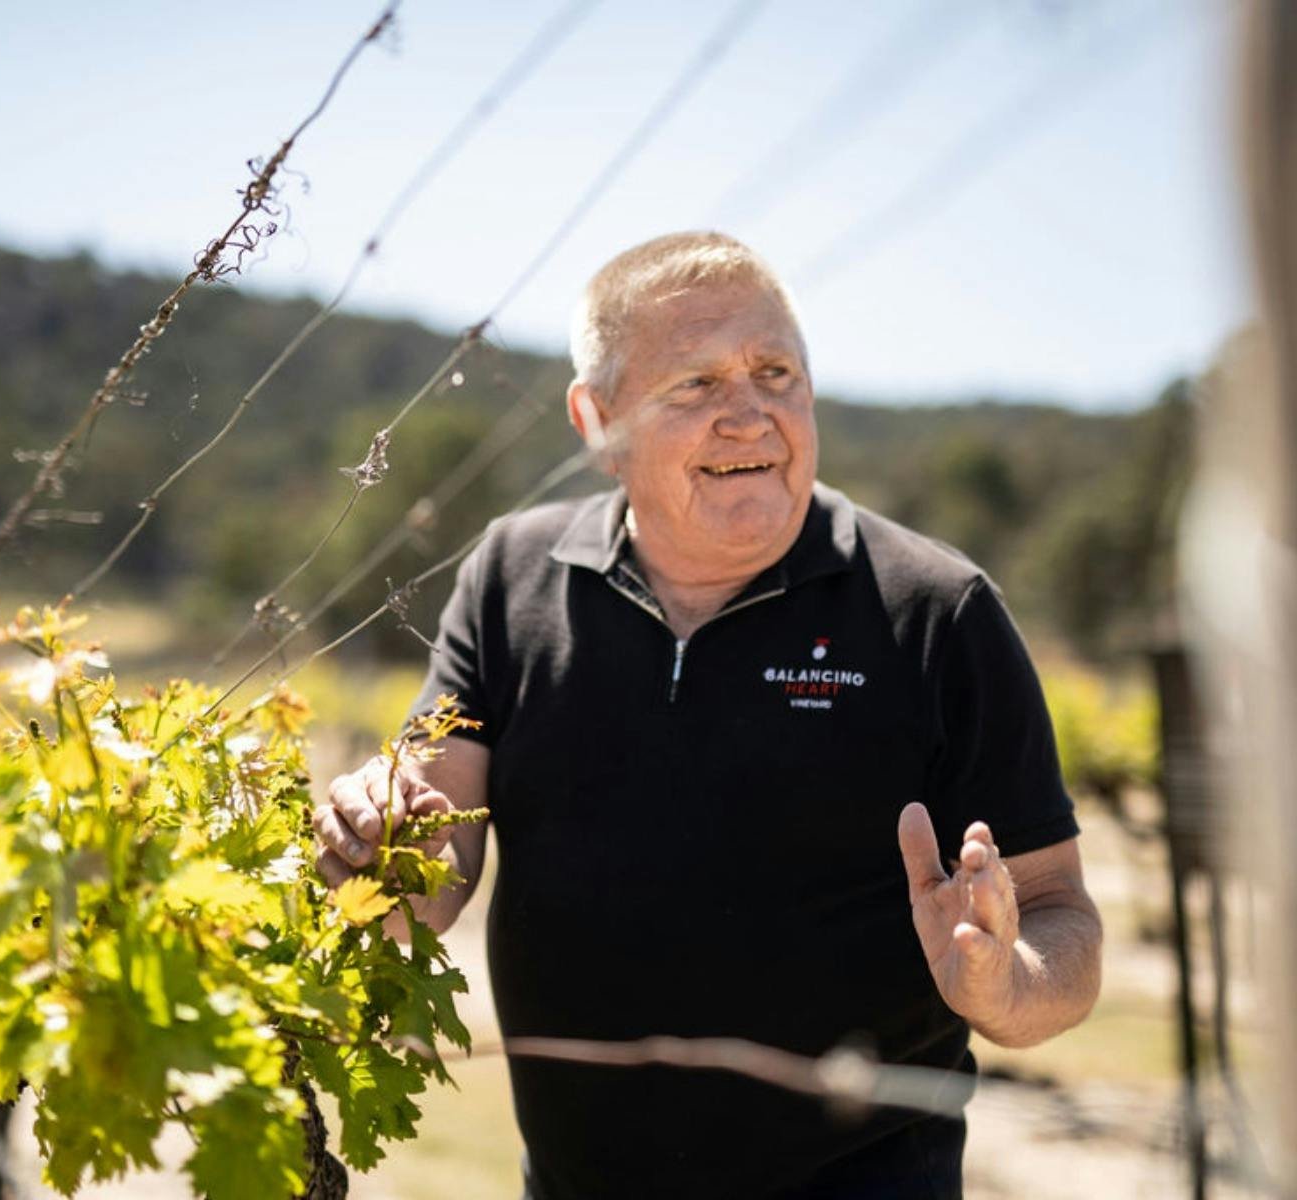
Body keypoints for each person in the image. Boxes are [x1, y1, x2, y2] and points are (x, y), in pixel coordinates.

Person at [314, 232, 1102, 1199]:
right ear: (597, 422)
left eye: (777, 374)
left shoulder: (936, 611)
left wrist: (1005, 983)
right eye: (695, 384)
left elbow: (1060, 916)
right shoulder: (510, 578)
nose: (750, 416)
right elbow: (435, 857)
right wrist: (380, 846)